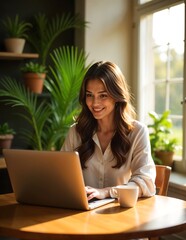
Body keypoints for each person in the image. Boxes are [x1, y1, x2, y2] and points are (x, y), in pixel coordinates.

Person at [61, 61, 156, 201]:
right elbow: (61, 176)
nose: (94, 103)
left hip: (119, 215)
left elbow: (146, 182)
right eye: (89, 95)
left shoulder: (137, 132)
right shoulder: (76, 132)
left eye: (103, 95)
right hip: (81, 215)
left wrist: (107, 192)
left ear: (117, 96)